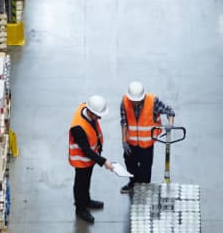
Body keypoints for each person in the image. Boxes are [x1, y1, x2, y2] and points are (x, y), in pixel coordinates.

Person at [120, 81, 175, 193]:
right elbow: (124, 122)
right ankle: (133, 183)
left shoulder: (153, 101)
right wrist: (124, 140)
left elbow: (170, 111)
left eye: (137, 101)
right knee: (130, 165)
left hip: (147, 143)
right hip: (131, 142)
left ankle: (144, 189)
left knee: (145, 170)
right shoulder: (125, 101)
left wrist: (170, 124)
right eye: (133, 101)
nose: (135, 103)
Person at [69, 95, 114, 224]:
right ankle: (80, 208)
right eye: (98, 115)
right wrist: (104, 161)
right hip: (81, 160)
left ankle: (86, 200)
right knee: (80, 183)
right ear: (90, 112)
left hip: (90, 159)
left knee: (87, 180)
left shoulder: (85, 106)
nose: (99, 118)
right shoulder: (78, 127)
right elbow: (86, 150)